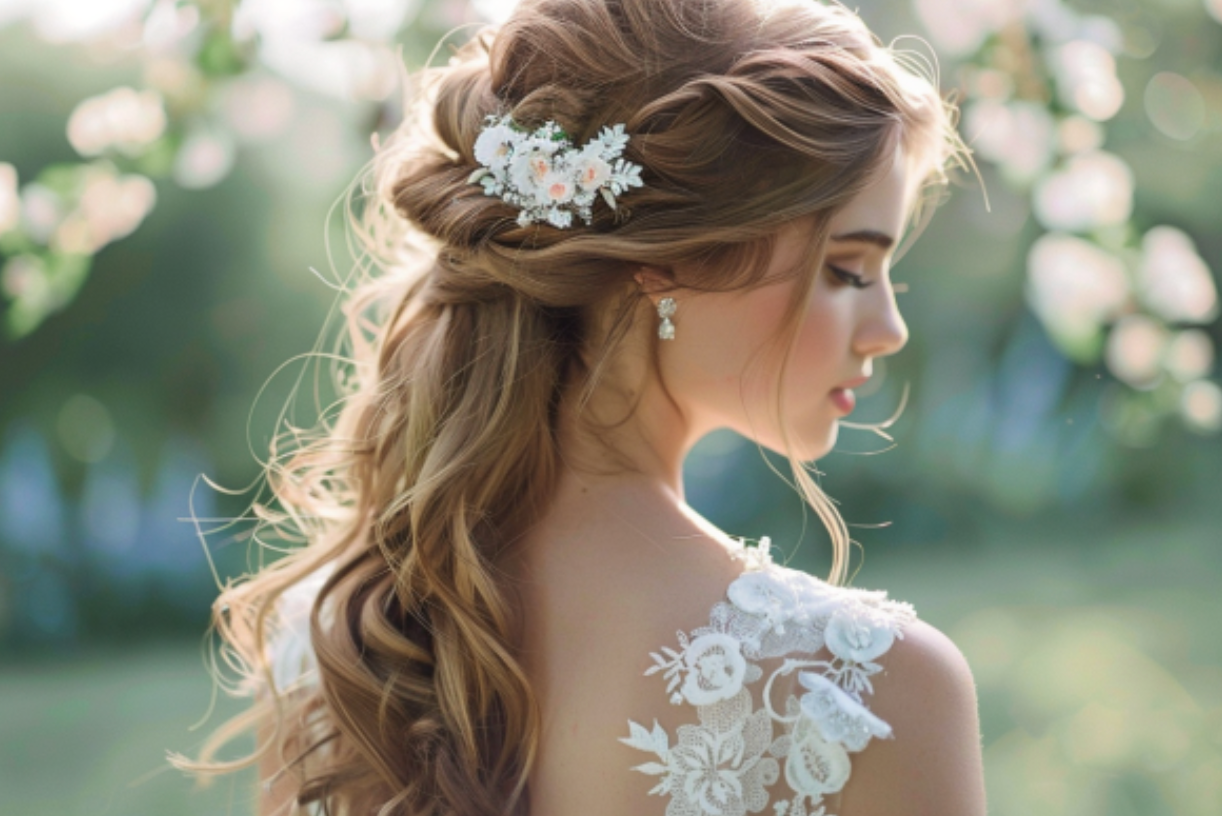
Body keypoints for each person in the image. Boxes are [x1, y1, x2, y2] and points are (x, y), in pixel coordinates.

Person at [174, 0, 987, 814]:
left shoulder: (335, 644)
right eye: (847, 269)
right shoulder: (869, 698)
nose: (889, 329)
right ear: (667, 260)